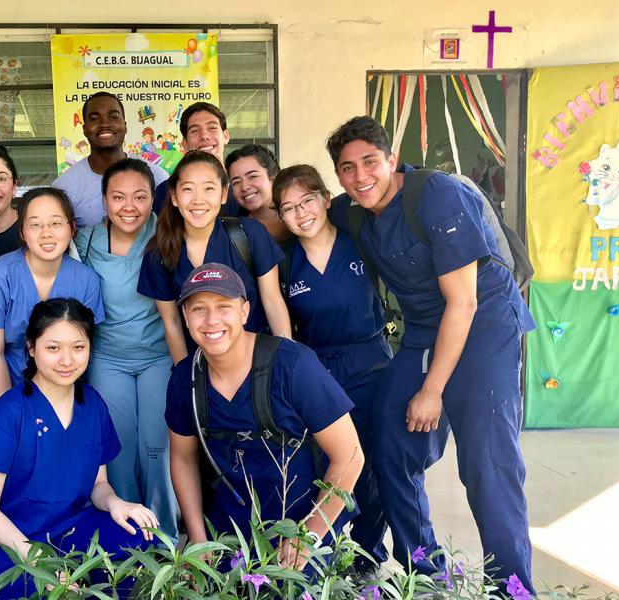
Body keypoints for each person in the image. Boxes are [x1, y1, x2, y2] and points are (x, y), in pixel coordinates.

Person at [325, 116, 537, 591]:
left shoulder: (437, 194)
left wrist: (432, 391)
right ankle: (425, 570)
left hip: (483, 328)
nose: (360, 177)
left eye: (370, 163)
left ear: (391, 159)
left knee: (488, 464)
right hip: (425, 332)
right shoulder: (353, 211)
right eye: (346, 168)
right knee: (389, 444)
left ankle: (513, 588)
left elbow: (462, 303)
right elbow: (301, 214)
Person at [166, 263, 363, 572]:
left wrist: (308, 535)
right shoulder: (185, 379)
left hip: (301, 517)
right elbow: (183, 460)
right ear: (186, 318)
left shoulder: (292, 365)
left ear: (245, 312)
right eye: (198, 309)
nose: (211, 320)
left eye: (223, 307)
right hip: (233, 524)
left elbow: (350, 456)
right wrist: (199, 540)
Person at [0, 298, 158, 599]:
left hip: (68, 530)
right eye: (53, 348)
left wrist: (116, 504)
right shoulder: (9, 413)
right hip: (9, 543)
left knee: (139, 536)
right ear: (31, 348)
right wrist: (38, 561)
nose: (67, 360)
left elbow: (99, 484)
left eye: (78, 347)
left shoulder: (92, 404)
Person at [272, 164, 393, 572]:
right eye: (288, 208)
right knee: (330, 466)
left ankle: (368, 555)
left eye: (307, 200)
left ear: (326, 198)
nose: (301, 212)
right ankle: (324, 553)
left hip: (372, 362)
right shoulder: (285, 263)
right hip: (319, 370)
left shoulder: (359, 240)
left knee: (375, 464)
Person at [0, 187, 104, 457]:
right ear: (22, 232)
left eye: (56, 223)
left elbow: (79, 352)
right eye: (35, 225)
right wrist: (12, 413)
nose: (46, 233)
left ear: (71, 228)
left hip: (50, 376)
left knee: (45, 458)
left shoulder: (86, 280)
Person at [74, 158, 177, 539]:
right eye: (118, 197)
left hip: (157, 357)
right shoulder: (85, 241)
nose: (128, 206)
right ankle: (129, 537)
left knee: (157, 446)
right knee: (118, 446)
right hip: (107, 359)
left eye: (140, 196)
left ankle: (165, 536)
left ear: (154, 199)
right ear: (104, 200)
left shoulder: (166, 235)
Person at [137, 150, 291, 365]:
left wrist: (286, 358)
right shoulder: (159, 253)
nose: (198, 200)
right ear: (174, 196)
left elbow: (272, 300)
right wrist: (186, 376)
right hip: (202, 365)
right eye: (188, 189)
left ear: (223, 194)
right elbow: (171, 322)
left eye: (209, 188)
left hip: (258, 361)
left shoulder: (249, 234)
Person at [52, 92, 169, 227]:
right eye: (94, 119)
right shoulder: (63, 188)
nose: (104, 124)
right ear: (84, 129)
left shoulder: (158, 178)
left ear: (125, 126)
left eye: (113, 117)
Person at [153, 101, 240, 216]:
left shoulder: (242, 187)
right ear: (184, 144)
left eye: (212, 128)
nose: (204, 136)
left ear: (225, 136)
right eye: (195, 131)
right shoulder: (165, 192)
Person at [226, 143, 289, 242]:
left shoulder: (300, 217)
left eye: (252, 176)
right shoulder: (232, 232)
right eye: (236, 182)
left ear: (272, 177)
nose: (245, 187)